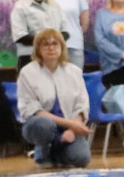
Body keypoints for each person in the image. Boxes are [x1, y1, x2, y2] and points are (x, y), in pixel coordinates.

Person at [17, 29, 92, 168]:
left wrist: (72, 130)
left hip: (69, 126)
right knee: (44, 125)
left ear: (62, 47)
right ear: (38, 49)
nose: (51, 48)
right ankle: (43, 150)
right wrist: (69, 124)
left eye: (55, 44)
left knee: (81, 158)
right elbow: (32, 109)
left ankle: (57, 152)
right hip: (39, 126)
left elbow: (82, 106)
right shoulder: (27, 72)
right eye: (45, 45)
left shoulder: (74, 71)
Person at [10, 0, 71, 71]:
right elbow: (20, 36)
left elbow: (66, 30)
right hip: (29, 59)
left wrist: (53, 42)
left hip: (54, 59)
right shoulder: (20, 7)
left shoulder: (54, 6)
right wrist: (47, 41)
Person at [47, 0, 90, 69]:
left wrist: (76, 33)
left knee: (75, 80)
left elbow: (84, 21)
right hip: (51, 46)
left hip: (74, 45)